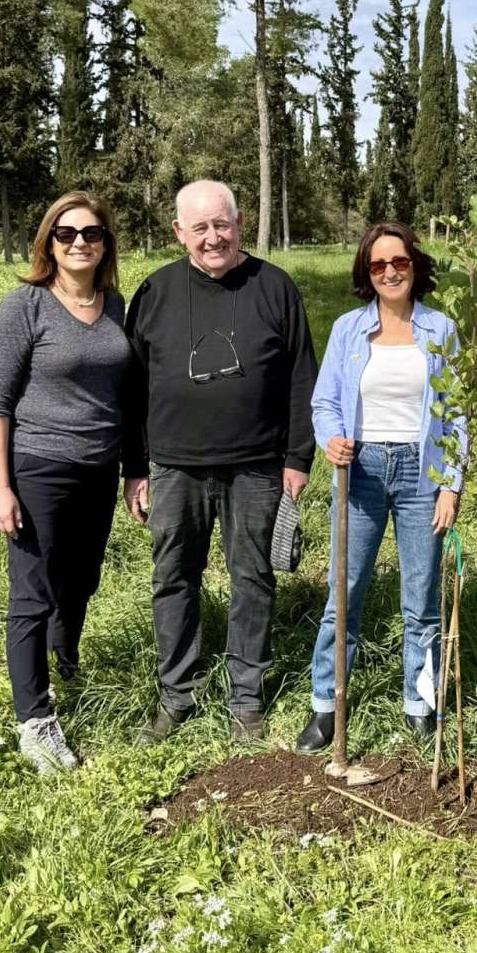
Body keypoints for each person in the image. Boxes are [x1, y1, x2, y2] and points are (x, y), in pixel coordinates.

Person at [122, 180, 317, 745]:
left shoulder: (274, 286)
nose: (213, 238)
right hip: (174, 467)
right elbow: (133, 391)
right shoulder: (155, 291)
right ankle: (176, 695)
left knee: (252, 578)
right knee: (172, 578)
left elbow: (302, 378)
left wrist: (297, 457)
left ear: (239, 223)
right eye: (200, 227)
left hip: (257, 466)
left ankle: (246, 699)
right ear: (179, 231)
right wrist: (134, 467)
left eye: (222, 224)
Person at [296, 222, 468, 752]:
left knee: (422, 600)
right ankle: (328, 703)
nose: (389, 272)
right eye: (377, 265)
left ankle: (420, 702)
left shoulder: (440, 330)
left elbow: (457, 413)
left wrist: (450, 484)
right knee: (343, 594)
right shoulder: (350, 329)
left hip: (422, 474)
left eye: (398, 262)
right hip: (361, 472)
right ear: (366, 274)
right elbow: (325, 402)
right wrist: (331, 440)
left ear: (415, 266)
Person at [0, 191, 132, 775]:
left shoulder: (116, 306)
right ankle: (36, 722)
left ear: (105, 244)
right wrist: (0, 485)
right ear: (49, 242)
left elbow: (126, 394)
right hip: (39, 465)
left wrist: (131, 469)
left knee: (83, 579)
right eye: (66, 234)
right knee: (34, 592)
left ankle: (65, 661)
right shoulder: (26, 307)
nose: (79, 243)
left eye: (91, 233)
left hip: (99, 467)